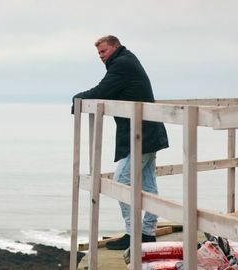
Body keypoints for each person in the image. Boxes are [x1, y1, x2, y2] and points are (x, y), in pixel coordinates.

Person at [71, 35, 169, 250]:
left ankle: (133, 234)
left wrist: (77, 99)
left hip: (142, 135)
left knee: (120, 181)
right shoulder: (126, 60)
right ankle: (147, 233)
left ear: (115, 47)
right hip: (147, 132)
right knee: (149, 184)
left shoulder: (122, 64)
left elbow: (101, 91)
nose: (101, 56)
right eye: (98, 53)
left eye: (103, 51)